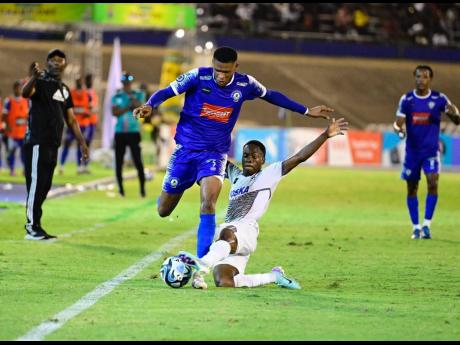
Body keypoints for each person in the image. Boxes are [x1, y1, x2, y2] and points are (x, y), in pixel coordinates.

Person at [133, 46, 335, 259]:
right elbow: (166, 91)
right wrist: (150, 104)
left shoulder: (245, 83)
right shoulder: (197, 76)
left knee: (209, 202)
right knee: (163, 210)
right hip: (186, 150)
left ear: (235, 67)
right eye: (217, 70)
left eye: (226, 72)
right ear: (213, 65)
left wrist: (305, 110)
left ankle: (201, 262)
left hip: (215, 154)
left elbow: (272, 95)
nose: (221, 76)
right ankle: (183, 183)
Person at [178, 117, 349, 289]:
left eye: (255, 156)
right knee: (224, 281)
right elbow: (215, 159)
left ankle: (202, 264)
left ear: (263, 160)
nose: (249, 159)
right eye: (246, 155)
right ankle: (274, 276)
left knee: (227, 233)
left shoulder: (269, 173)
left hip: (244, 230)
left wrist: (325, 135)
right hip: (230, 238)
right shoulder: (236, 176)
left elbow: (299, 157)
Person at [22, 48, 89, 240]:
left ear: (65, 65)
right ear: (47, 62)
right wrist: (34, 77)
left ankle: (37, 225)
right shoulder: (40, 82)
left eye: (60, 60)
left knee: (45, 186)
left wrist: (82, 144)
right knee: (35, 185)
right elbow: (26, 94)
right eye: (53, 60)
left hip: (53, 144)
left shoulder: (65, 89)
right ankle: (31, 228)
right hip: (37, 142)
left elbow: (72, 119)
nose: (57, 63)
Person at [393, 65, 460, 240]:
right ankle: (415, 227)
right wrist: (399, 131)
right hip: (412, 152)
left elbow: (456, 119)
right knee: (412, 188)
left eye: (424, 77)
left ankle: (427, 225)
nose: (421, 80)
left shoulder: (439, 98)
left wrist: (454, 114)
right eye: (418, 76)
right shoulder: (407, 99)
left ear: (430, 79)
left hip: (431, 151)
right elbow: (397, 123)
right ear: (414, 77)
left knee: (432, 183)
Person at [111, 71, 146, 197]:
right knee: (119, 161)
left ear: (131, 82)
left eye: (128, 80)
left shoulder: (138, 94)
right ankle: (121, 190)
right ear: (122, 82)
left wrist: (132, 99)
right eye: (124, 80)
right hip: (120, 132)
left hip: (133, 132)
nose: (126, 83)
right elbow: (114, 112)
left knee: (138, 161)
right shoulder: (117, 96)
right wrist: (128, 107)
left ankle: (142, 189)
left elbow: (140, 108)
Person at [59, 76, 91, 174]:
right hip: (71, 124)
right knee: (67, 144)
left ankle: (79, 167)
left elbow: (90, 109)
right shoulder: (70, 93)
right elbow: (66, 108)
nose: (79, 82)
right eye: (77, 81)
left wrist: (87, 112)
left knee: (80, 145)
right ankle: (61, 166)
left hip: (83, 124)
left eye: (80, 81)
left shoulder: (87, 94)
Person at [2, 80, 30, 176]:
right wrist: (7, 126)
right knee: (11, 152)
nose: (19, 90)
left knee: (24, 153)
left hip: (22, 133)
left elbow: (28, 115)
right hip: (12, 133)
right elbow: (4, 115)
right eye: (17, 88)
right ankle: (12, 169)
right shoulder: (9, 101)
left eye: (20, 88)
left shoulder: (26, 101)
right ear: (14, 89)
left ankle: (24, 169)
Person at [85, 73, 99, 164]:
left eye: (91, 80)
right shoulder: (84, 92)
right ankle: (82, 163)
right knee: (84, 142)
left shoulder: (93, 92)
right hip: (85, 121)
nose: (90, 82)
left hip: (92, 121)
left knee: (88, 142)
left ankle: (86, 163)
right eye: (89, 80)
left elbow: (95, 106)